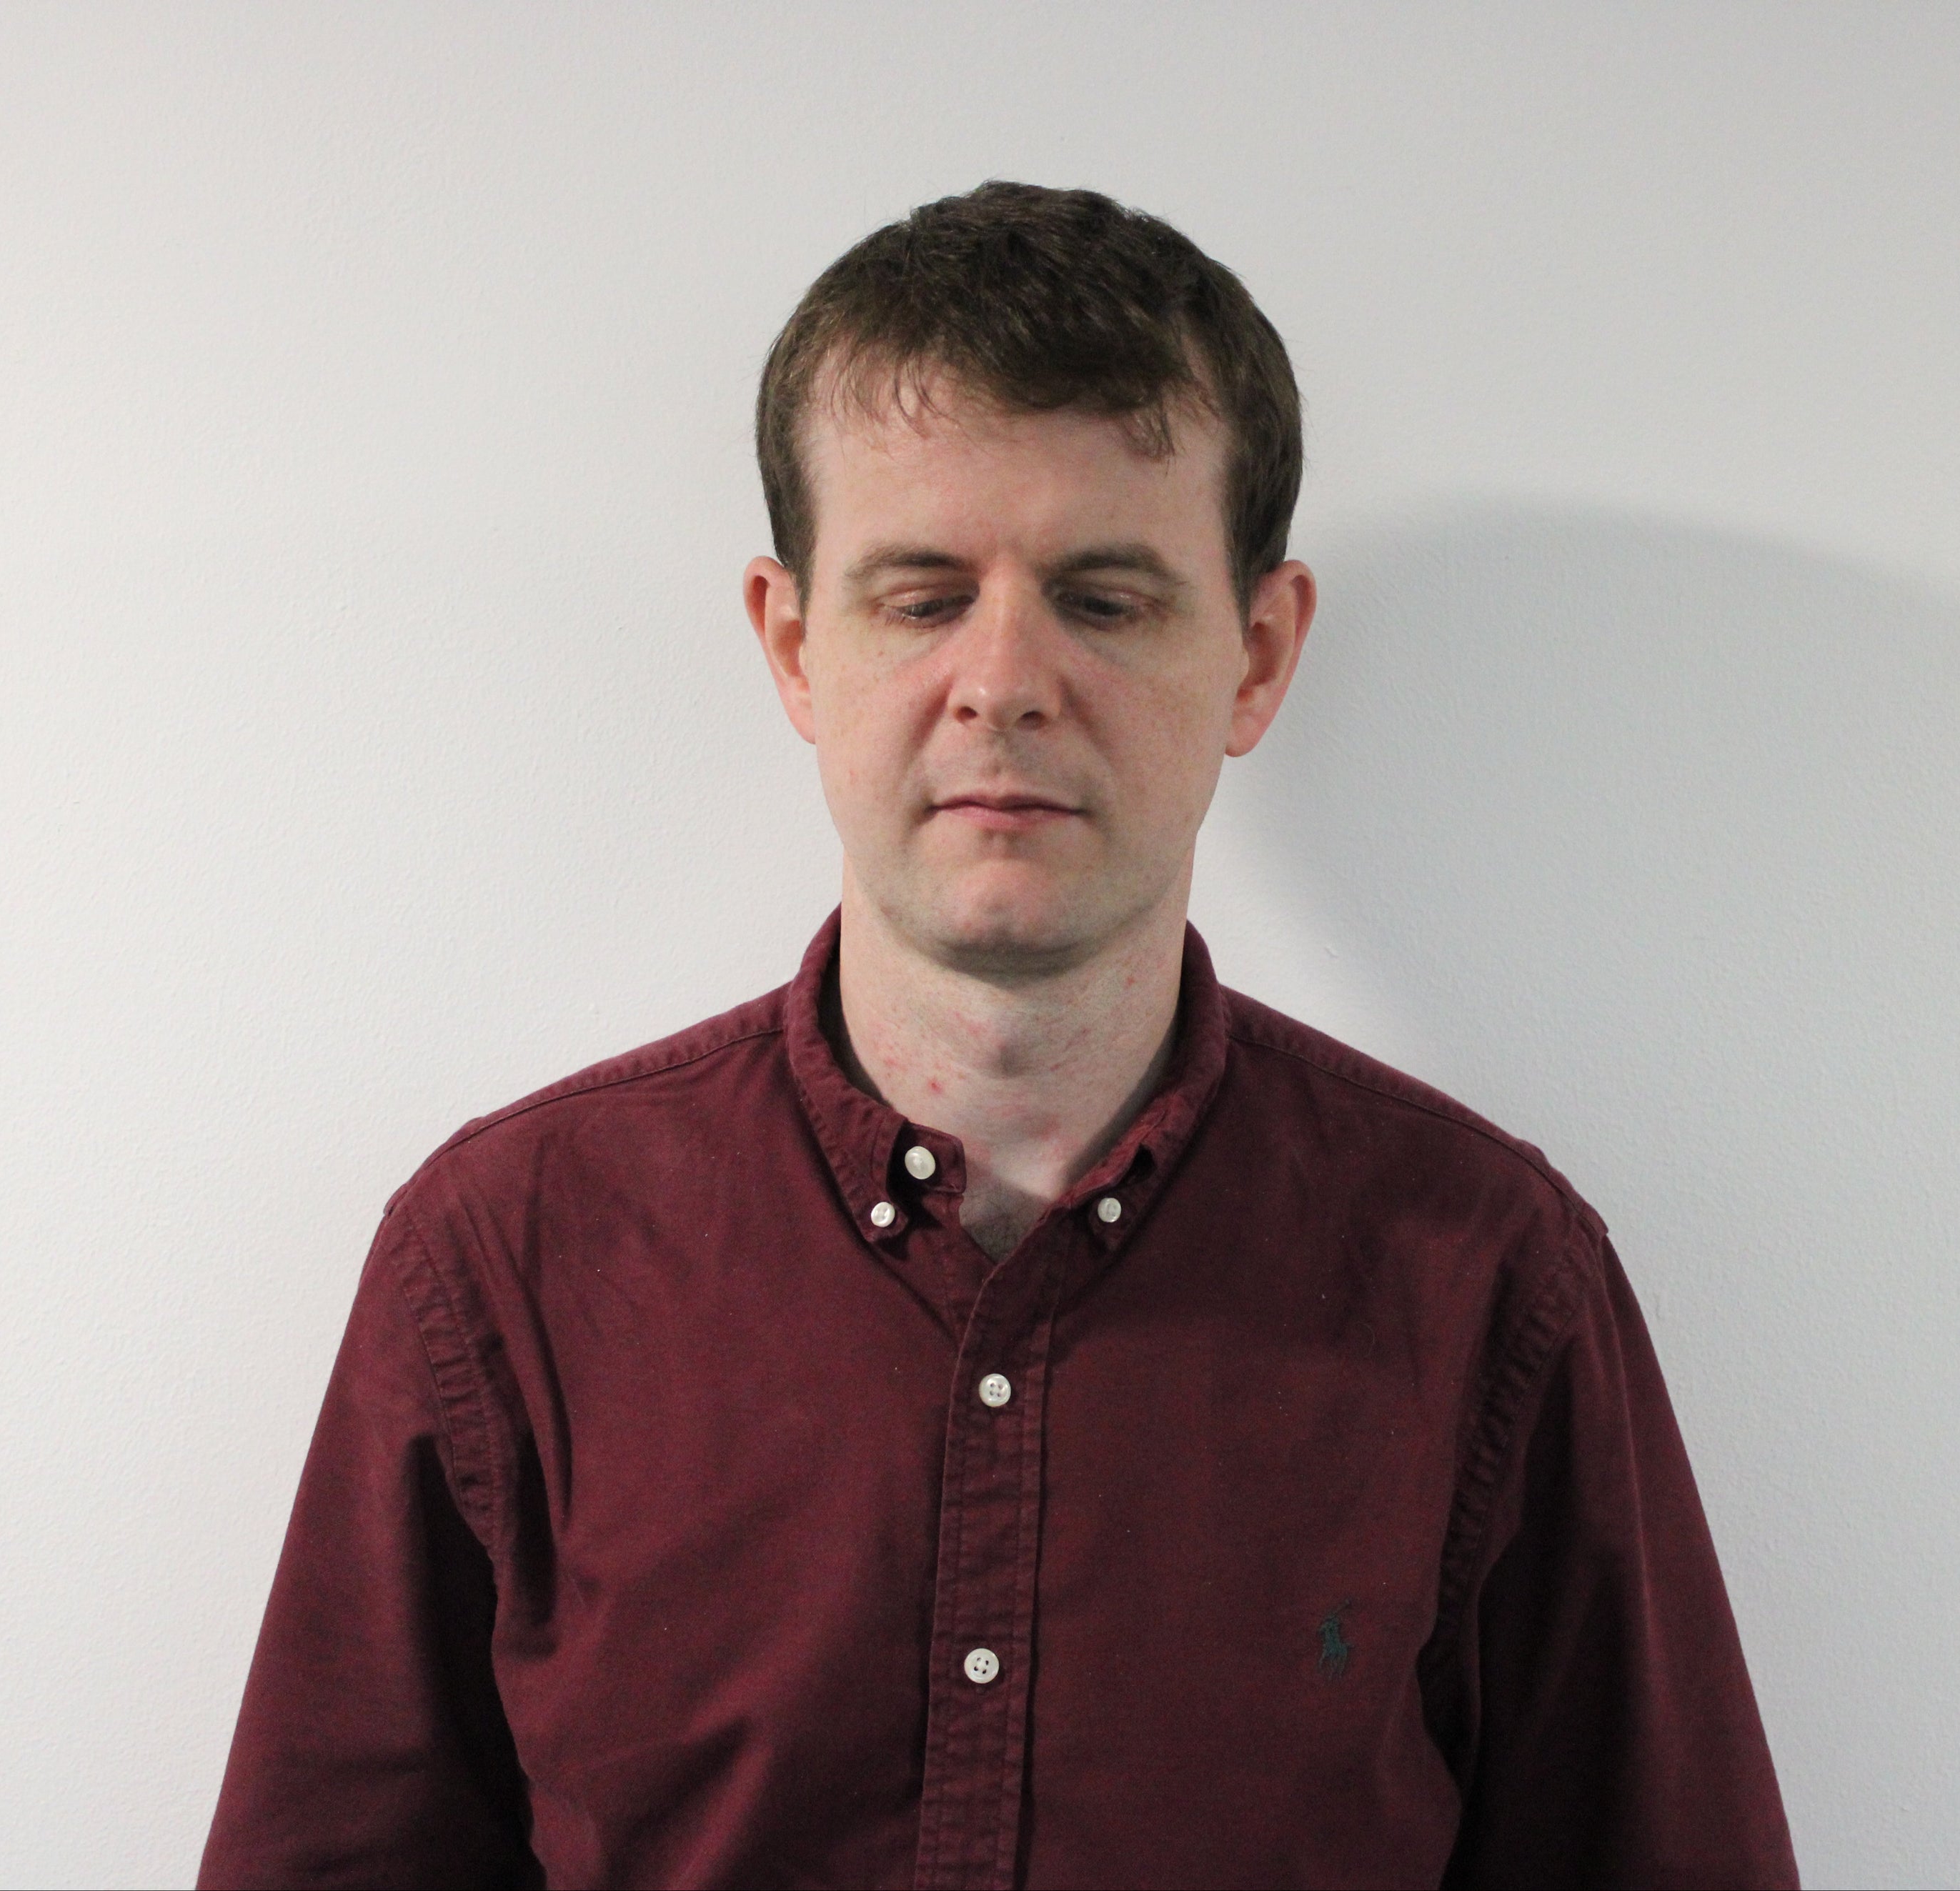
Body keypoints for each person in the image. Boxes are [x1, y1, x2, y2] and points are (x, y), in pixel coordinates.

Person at [199, 181, 1796, 1890]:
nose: (1005, 679)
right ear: (795, 645)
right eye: (919, 593)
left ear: (1255, 658)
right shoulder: (508, 1260)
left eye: (1105, 598)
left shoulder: (1486, 1280)